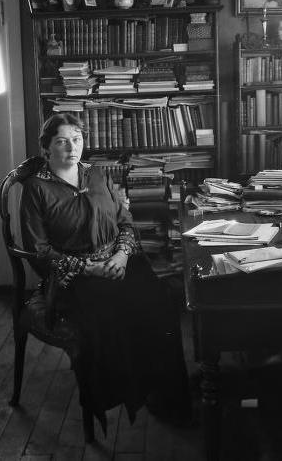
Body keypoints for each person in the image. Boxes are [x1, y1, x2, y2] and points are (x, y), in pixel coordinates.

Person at [20, 113, 192, 432]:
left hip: (116, 261)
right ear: (46, 148)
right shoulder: (36, 188)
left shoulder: (97, 174)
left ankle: (167, 395)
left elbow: (125, 221)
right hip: (74, 277)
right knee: (112, 315)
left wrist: (123, 255)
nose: (71, 147)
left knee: (161, 305)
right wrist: (91, 268)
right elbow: (39, 251)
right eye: (61, 141)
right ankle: (129, 393)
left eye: (77, 139)